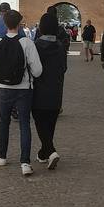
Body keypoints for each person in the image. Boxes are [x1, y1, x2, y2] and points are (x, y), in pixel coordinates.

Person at [0, 10, 43, 176]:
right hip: (24, 90)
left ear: (5, 24)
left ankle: (1, 155)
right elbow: (38, 71)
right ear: (19, 24)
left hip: (4, 90)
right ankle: (25, 162)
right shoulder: (27, 43)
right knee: (25, 124)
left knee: (4, 122)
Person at [32, 12, 67, 170]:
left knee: (40, 122)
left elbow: (32, 68)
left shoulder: (36, 46)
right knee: (50, 124)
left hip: (39, 91)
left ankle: (51, 151)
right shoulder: (60, 47)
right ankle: (43, 153)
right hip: (56, 90)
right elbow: (63, 68)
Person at [0, 3, 26, 119]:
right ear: (9, 10)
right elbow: (23, 40)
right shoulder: (17, 26)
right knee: (16, 85)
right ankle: (14, 110)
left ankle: (2, 114)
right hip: (15, 60)